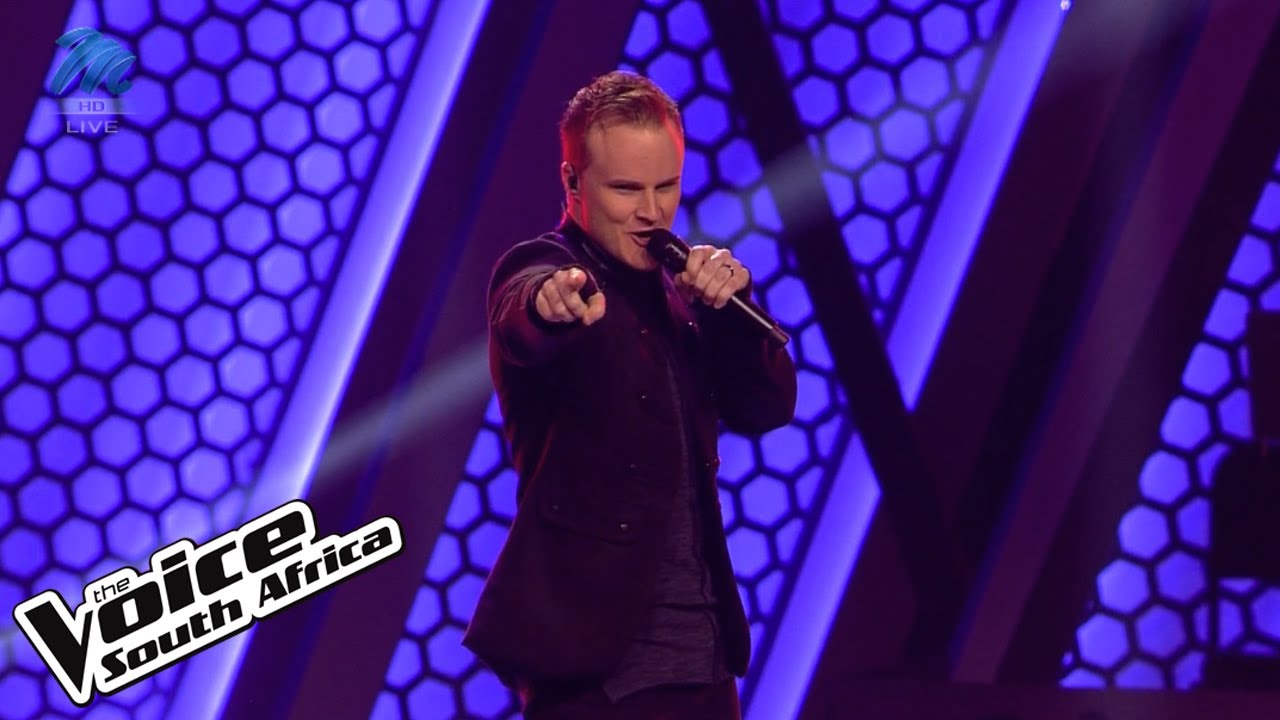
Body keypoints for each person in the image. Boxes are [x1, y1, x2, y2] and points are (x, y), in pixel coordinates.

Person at [462, 70, 797, 719]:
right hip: (596, 675)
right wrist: (550, 304)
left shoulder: (680, 294)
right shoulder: (547, 267)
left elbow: (769, 406)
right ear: (572, 184)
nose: (651, 212)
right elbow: (523, 311)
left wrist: (730, 313)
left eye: (665, 186)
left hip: (703, 662)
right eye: (625, 189)